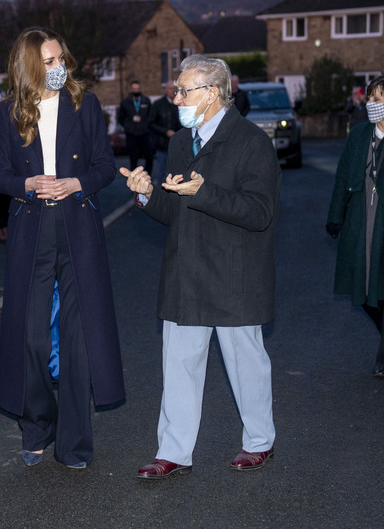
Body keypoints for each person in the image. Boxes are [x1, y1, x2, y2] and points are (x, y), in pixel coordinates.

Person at [120, 54, 281, 479]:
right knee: (179, 366)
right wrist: (145, 193)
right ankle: (173, 451)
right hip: (185, 271)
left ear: (212, 93)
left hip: (234, 275)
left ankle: (258, 442)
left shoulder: (251, 142)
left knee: (246, 364)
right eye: (176, 91)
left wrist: (204, 192)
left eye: (184, 91)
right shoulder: (179, 142)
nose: (176, 99)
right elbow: (174, 209)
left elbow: (260, 212)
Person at [0, 26, 125, 469]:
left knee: (78, 339)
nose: (58, 67)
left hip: (78, 226)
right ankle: (37, 428)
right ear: (29, 65)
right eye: (49, 61)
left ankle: (74, 444)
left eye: (60, 58)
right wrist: (26, 184)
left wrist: (78, 182)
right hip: (32, 228)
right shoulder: (8, 110)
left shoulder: (83, 105)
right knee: (29, 336)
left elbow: (106, 166)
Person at [326, 73, 384, 378]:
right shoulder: (358, 135)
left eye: (378, 98)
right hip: (362, 216)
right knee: (365, 285)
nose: (370, 102)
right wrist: (335, 216)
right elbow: (342, 177)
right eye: (370, 97)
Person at [117, 80, 154, 173]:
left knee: (149, 156)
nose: (136, 90)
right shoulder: (125, 102)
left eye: (137, 88)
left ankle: (148, 176)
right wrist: (128, 126)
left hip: (144, 133)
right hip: (131, 134)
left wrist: (145, 124)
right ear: (130, 89)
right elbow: (121, 118)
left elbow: (151, 116)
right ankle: (134, 179)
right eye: (134, 89)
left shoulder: (146, 100)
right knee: (133, 159)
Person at [148, 80, 182, 182]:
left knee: (178, 172)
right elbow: (151, 123)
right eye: (170, 89)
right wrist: (165, 132)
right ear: (166, 90)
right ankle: (160, 196)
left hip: (178, 145)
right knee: (162, 173)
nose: (172, 91)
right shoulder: (158, 105)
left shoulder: (181, 103)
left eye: (175, 89)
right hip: (162, 145)